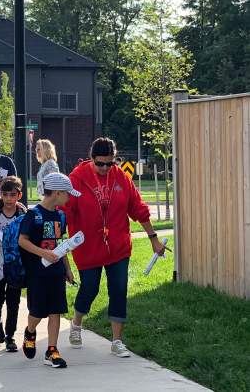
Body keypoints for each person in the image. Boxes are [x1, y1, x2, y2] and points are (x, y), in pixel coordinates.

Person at [63, 137, 166, 357]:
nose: (105, 168)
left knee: (118, 290)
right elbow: (65, 212)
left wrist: (153, 238)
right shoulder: (76, 179)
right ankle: (76, 324)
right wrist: (57, 246)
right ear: (91, 159)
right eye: (100, 163)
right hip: (88, 246)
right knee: (90, 289)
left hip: (118, 246)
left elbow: (138, 208)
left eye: (109, 163)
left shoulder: (121, 177)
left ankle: (117, 341)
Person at [18, 172, 79, 369]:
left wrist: (67, 269)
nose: (69, 198)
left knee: (56, 312)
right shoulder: (33, 214)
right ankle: (30, 331)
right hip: (38, 273)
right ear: (57, 193)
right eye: (67, 194)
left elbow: (62, 244)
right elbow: (22, 241)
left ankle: (52, 350)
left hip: (56, 273)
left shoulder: (61, 216)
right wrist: (43, 253)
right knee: (37, 312)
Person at [0, 176, 26, 352]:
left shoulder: (23, 214)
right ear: (0, 195)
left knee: (13, 301)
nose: (9, 199)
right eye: (5, 194)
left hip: (15, 263)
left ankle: (10, 336)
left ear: (19, 195)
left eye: (12, 195)